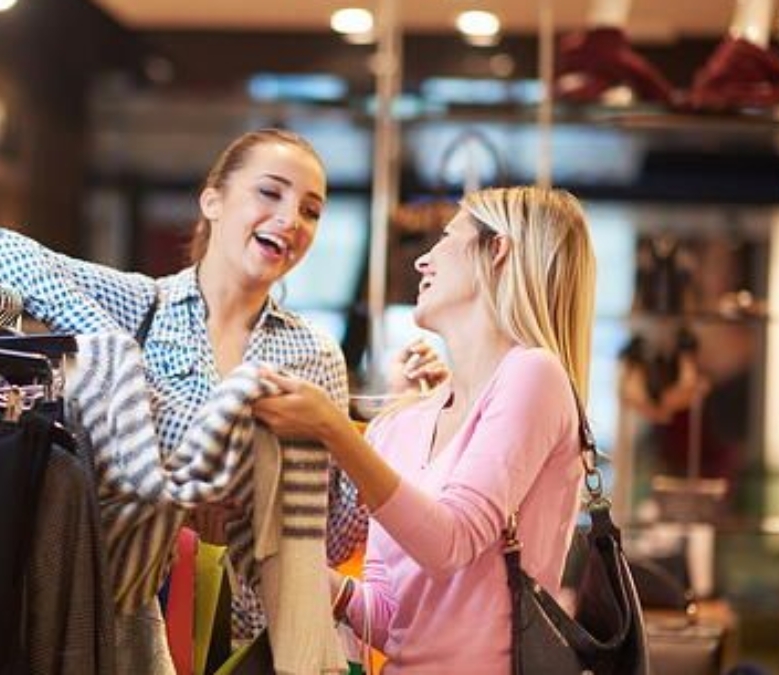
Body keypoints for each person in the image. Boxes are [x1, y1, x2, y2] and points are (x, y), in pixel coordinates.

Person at [0, 128, 445, 670]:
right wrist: (120, 356)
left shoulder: (313, 353)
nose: (290, 219)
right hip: (127, 613)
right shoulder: (143, 304)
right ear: (212, 200)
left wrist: (393, 416)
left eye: (310, 210)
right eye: (270, 192)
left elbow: (329, 543)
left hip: (249, 638)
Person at [253, 185, 597, 673]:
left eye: (446, 237)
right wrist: (279, 557)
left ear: (497, 250)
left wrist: (335, 430)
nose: (422, 261)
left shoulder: (534, 375)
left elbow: (450, 542)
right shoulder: (402, 424)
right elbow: (394, 622)